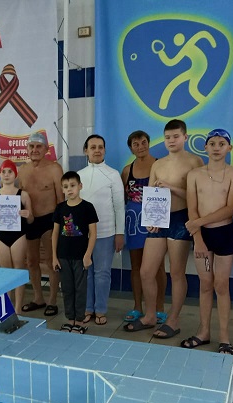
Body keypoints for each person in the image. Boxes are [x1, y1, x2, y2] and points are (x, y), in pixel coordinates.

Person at [124, 119, 203, 338]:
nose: (171, 141)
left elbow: (198, 196)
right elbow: (151, 194)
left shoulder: (195, 162)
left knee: (176, 272)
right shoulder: (158, 165)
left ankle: (173, 320)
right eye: (168, 137)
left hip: (180, 219)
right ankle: (150, 315)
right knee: (146, 271)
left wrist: (171, 188)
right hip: (158, 220)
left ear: (185, 137)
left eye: (176, 136)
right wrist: (150, 217)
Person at [181, 129, 233, 354]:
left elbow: (231, 208)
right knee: (205, 284)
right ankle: (204, 332)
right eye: (213, 143)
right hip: (202, 237)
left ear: (229, 148)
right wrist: (197, 238)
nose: (217, 148)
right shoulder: (194, 175)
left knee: (221, 285)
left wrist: (197, 223)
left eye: (222, 143)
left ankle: (224, 337)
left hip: (224, 234)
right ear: (205, 147)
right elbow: (192, 207)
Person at [77, 134, 125, 326]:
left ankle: (101, 309)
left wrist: (119, 233)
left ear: (105, 150)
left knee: (102, 273)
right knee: (86, 272)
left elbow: (119, 206)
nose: (97, 150)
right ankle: (88, 308)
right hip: (82, 235)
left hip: (106, 233)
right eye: (93, 147)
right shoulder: (79, 175)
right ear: (86, 151)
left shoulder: (113, 174)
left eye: (100, 147)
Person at [121, 130, 167, 324]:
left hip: (155, 222)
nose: (140, 147)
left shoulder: (160, 165)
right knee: (136, 266)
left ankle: (159, 308)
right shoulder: (127, 170)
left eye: (143, 142)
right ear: (131, 148)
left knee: (158, 267)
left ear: (149, 143)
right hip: (134, 222)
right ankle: (137, 307)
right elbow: (123, 198)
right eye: (136, 144)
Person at [19, 132, 64, 316]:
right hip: (29, 221)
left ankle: (52, 300)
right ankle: (38, 298)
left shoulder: (55, 169)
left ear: (46, 149)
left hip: (49, 220)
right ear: (27, 149)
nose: (35, 150)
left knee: (51, 261)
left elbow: (61, 200)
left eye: (39, 146)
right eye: (31, 146)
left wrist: (60, 224)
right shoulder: (22, 170)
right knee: (31, 261)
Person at [52, 171, 98, 334]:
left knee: (80, 289)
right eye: (65, 187)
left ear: (80, 186)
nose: (69, 189)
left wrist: (87, 255)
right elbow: (55, 233)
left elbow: (93, 233)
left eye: (72, 185)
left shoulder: (87, 207)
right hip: (63, 256)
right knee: (67, 288)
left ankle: (79, 320)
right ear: (62, 189)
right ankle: (70, 319)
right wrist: (54, 257)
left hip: (80, 257)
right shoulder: (60, 208)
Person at [0, 159, 34, 310]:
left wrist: (28, 215)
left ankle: (18, 309)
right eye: (4, 172)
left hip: (18, 236)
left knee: (18, 271)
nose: (6, 175)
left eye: (10, 172)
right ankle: (7, 308)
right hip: (0, 236)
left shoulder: (23, 195)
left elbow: (31, 220)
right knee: (5, 272)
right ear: (0, 174)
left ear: (15, 174)